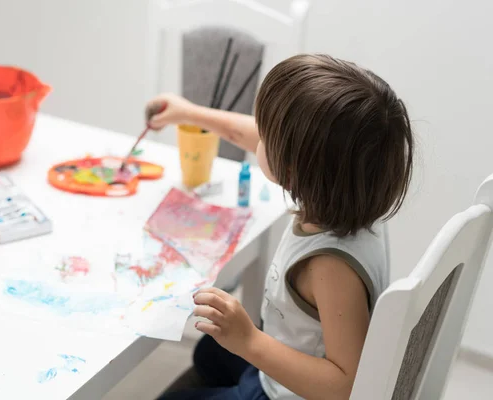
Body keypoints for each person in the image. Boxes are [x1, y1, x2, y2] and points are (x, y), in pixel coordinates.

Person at [149, 54, 414, 400]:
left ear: (291, 170)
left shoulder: (330, 266)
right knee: (209, 354)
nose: (256, 135)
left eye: (266, 136)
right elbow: (254, 136)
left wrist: (250, 341)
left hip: (286, 394)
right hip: (285, 346)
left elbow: (346, 386)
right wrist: (188, 113)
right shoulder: (357, 191)